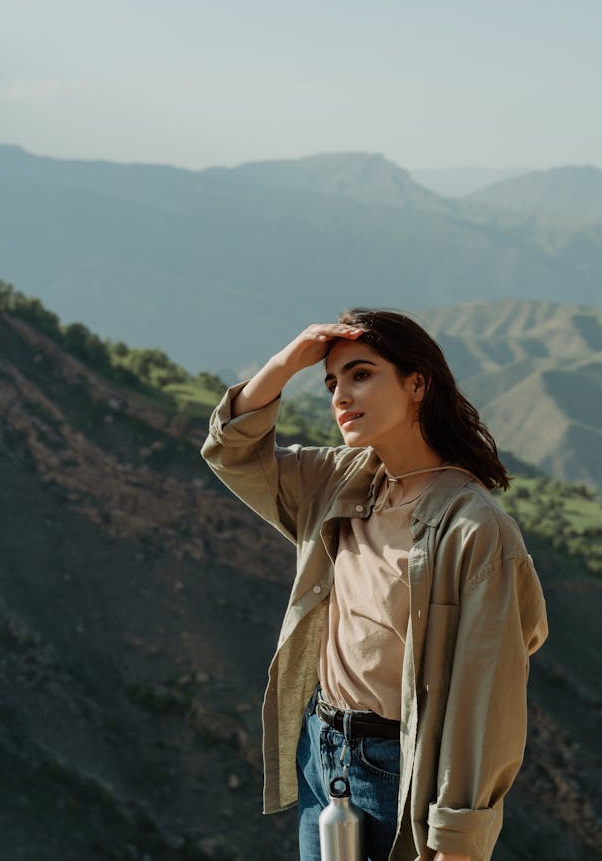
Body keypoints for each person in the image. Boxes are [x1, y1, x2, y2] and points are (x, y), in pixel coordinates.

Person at [201, 309, 548, 861]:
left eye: (362, 374)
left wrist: (457, 842)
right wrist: (286, 362)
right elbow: (233, 451)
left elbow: (490, 701)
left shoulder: (473, 528)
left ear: (418, 383)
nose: (341, 395)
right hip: (323, 753)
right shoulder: (341, 479)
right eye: (332, 381)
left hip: (400, 775)